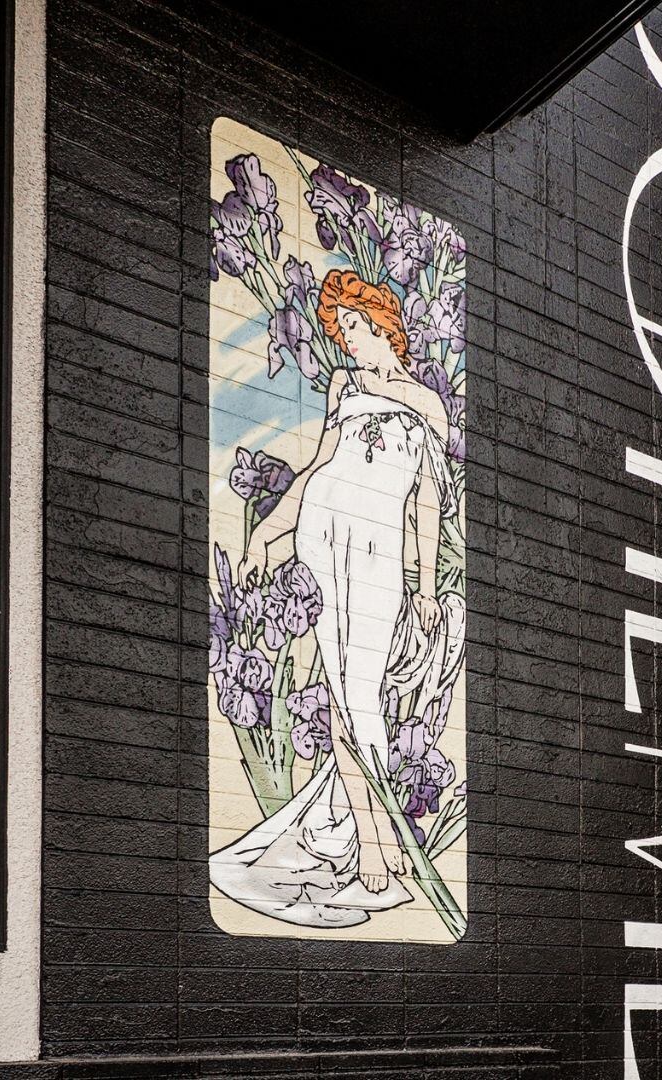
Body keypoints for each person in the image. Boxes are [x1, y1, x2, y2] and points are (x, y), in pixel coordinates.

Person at [213, 268, 456, 928]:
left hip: (381, 548)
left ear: (382, 324)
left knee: (362, 692)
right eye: (340, 329)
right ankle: (376, 841)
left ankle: (380, 834)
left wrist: (424, 586)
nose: (346, 339)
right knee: (344, 694)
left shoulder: (428, 404)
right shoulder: (343, 387)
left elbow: (426, 501)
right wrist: (269, 530)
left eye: (353, 326)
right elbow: (318, 471)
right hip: (323, 536)